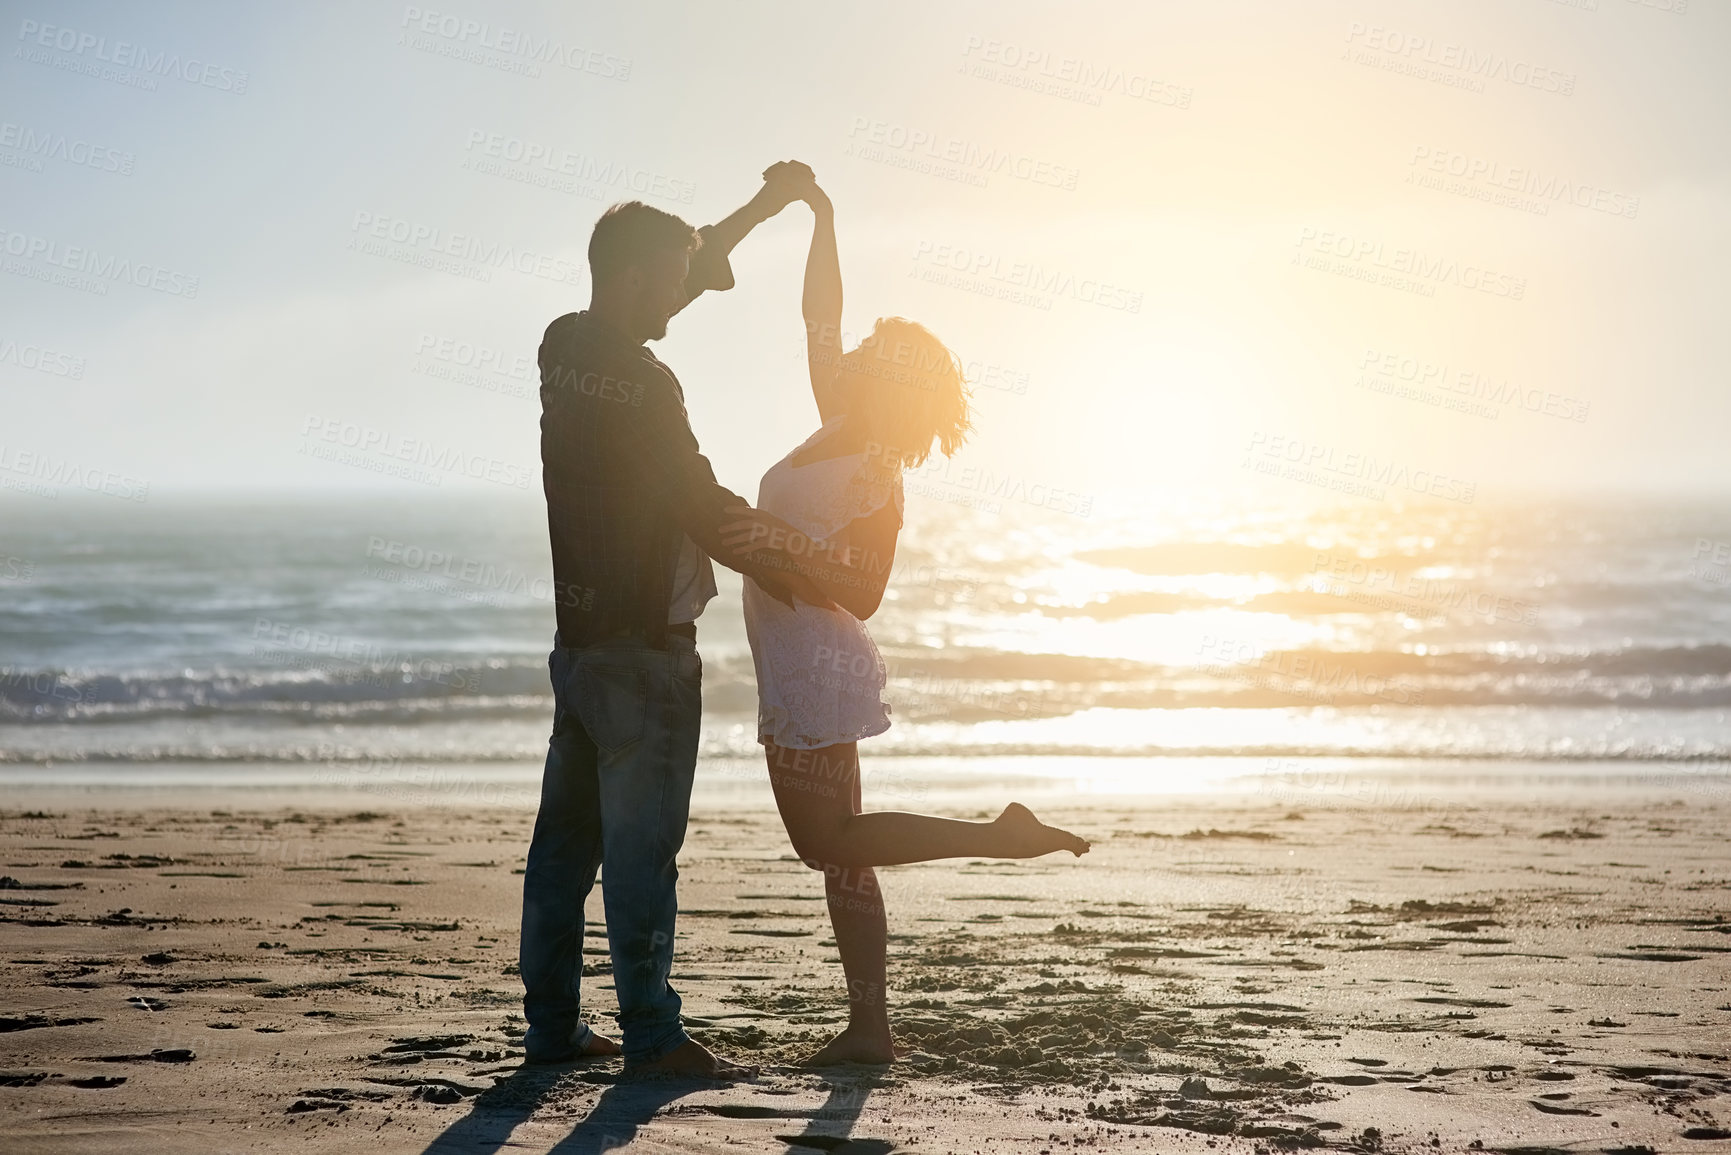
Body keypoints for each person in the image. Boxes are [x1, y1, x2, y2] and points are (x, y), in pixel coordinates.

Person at [725, 170, 1090, 1067]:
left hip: (816, 662)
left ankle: (996, 839)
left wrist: (774, 549)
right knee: (844, 854)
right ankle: (870, 1026)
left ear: (887, 382)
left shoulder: (873, 473)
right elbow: (818, 314)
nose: (849, 350)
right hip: (797, 658)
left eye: (871, 348)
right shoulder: (835, 427)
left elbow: (868, 589)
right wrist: (820, 215)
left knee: (827, 843)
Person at [518, 162, 834, 1079]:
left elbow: (685, 268)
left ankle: (551, 1031)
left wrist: (761, 210)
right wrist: (800, 561)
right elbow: (699, 503)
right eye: (666, 282)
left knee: (563, 853)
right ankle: (653, 1037)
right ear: (630, 280)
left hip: (579, 652)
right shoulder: (647, 389)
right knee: (643, 853)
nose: (679, 297)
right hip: (646, 656)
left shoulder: (565, 350)